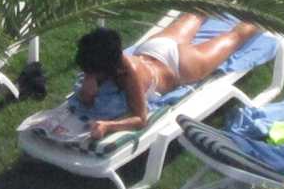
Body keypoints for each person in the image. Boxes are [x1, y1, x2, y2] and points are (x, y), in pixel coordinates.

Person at [75, 15, 263, 140]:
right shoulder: (103, 57)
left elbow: (141, 119)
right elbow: (87, 94)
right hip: (153, 48)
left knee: (235, 37)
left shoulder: (131, 75)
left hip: (182, 66)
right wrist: (90, 79)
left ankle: (262, 15)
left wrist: (108, 126)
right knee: (195, 14)